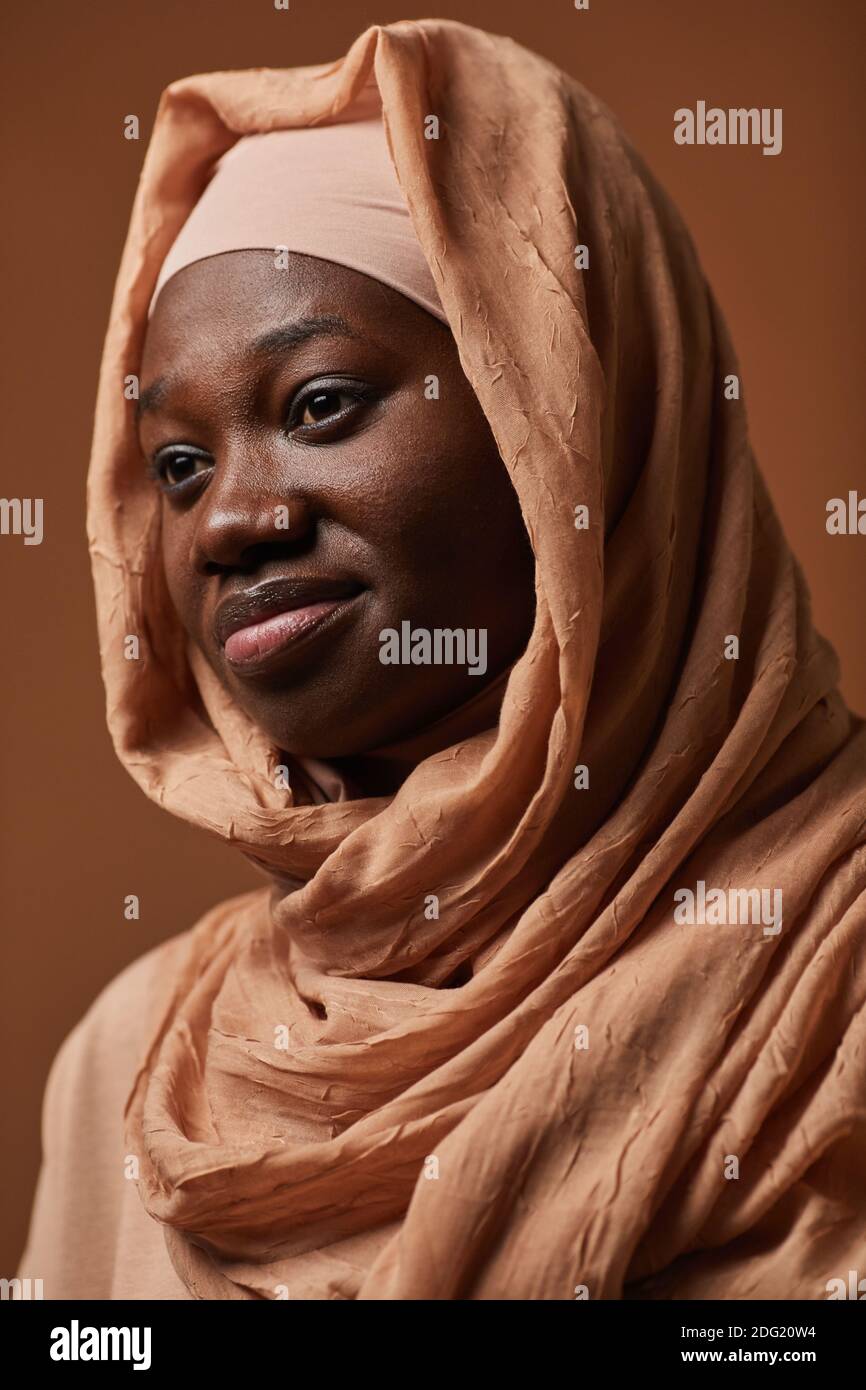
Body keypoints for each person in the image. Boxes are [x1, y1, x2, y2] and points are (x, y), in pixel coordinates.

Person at [17, 18, 866, 1300]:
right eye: (178, 468)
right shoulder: (141, 1063)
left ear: (568, 414)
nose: (235, 519)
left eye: (319, 404)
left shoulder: (833, 961)